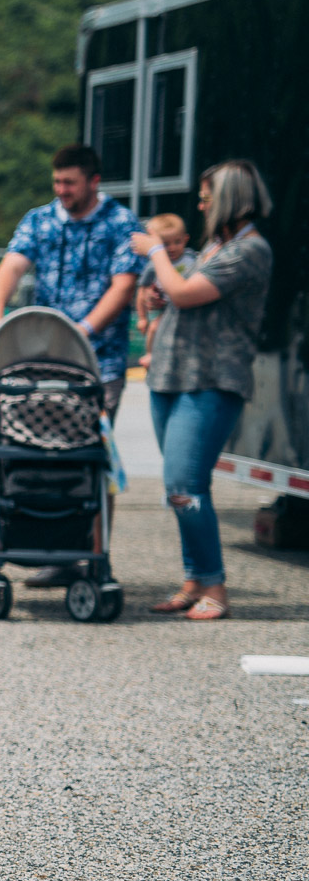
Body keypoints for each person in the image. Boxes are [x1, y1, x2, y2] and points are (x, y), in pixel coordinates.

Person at [127, 161, 274, 622]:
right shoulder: (215, 246)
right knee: (180, 488)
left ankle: (215, 586)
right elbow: (181, 293)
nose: (200, 204)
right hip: (171, 376)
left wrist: (156, 255)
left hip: (210, 381)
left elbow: (188, 293)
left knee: (185, 485)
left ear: (229, 198)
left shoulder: (250, 251)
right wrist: (157, 297)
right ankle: (194, 581)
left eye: (207, 196)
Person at [0, 144, 146, 416]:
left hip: (100, 363)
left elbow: (124, 286)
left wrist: (81, 332)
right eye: (57, 182)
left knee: (87, 447)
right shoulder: (39, 219)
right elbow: (12, 266)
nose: (61, 190)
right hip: (43, 357)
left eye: (70, 183)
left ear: (94, 182)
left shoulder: (122, 222)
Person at [135, 212, 196, 368]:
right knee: (155, 327)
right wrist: (142, 317)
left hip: (190, 306)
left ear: (185, 239)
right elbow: (142, 290)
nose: (172, 248)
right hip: (167, 308)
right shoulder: (155, 262)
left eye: (177, 242)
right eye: (166, 244)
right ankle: (150, 354)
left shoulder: (192, 259)